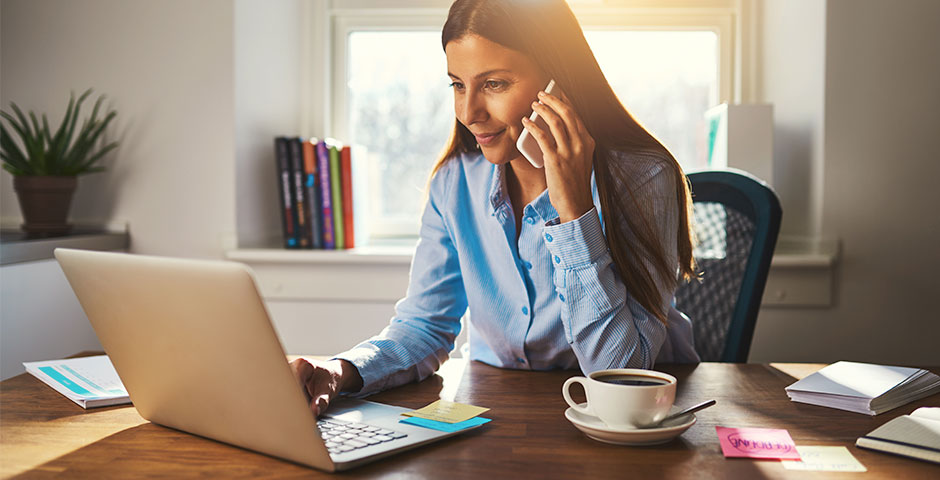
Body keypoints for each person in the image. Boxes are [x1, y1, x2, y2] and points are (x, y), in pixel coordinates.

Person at [291, 0, 700, 416]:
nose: (469, 113)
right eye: (457, 85)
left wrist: (575, 212)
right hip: (495, 415)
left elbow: (621, 376)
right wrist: (341, 370)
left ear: (559, 83)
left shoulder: (644, 179)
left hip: (630, 426)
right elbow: (425, 325)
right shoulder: (454, 182)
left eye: (495, 84)